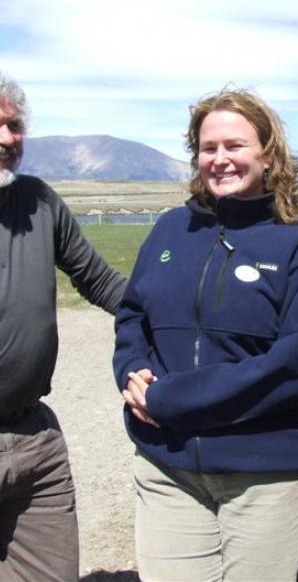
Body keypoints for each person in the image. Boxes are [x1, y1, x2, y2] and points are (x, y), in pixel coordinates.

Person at [113, 88, 298, 582]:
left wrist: (168, 398)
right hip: (168, 467)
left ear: (268, 154)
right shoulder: (171, 230)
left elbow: (295, 368)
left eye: (235, 146)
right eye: (208, 147)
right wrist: (131, 371)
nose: (220, 159)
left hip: (264, 473)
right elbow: (133, 315)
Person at [0, 72, 126, 581]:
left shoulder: (40, 200)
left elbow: (99, 280)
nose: (8, 139)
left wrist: (185, 318)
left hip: (34, 440)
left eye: (14, 125)